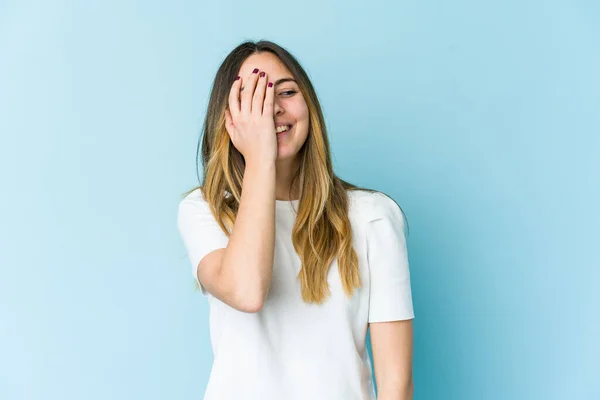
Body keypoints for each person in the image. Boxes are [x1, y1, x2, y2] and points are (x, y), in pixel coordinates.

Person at [177, 40, 415, 400]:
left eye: (286, 92)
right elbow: (246, 291)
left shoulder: (373, 217)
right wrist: (260, 159)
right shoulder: (204, 210)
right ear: (228, 117)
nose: (272, 108)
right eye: (251, 97)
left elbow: (396, 386)